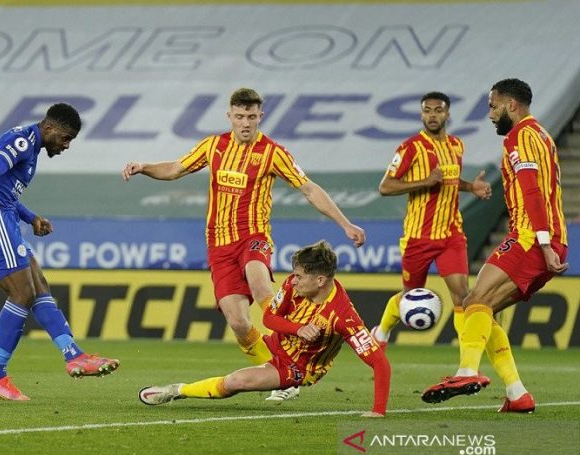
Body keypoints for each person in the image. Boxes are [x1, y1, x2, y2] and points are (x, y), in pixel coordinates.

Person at [122, 88, 365, 402]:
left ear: (260, 116)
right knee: (238, 323)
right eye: (240, 116)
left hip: (254, 238)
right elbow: (176, 169)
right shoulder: (214, 146)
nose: (246, 122)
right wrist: (145, 167)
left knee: (259, 281)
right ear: (230, 116)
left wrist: (344, 224)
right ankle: (283, 374)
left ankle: (292, 337)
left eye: (251, 116)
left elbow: (308, 188)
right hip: (219, 246)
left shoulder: (274, 153)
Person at [0, 103, 119, 401]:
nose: (66, 146)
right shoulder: (22, 141)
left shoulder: (31, 148)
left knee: (39, 285)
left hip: (3, 214)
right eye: (65, 138)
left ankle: (74, 355)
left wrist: (32, 218)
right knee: (22, 293)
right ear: (49, 128)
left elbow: (5, 190)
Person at [421, 78, 568, 413]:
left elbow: (531, 190)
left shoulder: (520, 136)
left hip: (531, 238)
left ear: (511, 105)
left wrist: (543, 243)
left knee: (474, 301)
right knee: (484, 310)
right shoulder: (542, 135)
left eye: (493, 105)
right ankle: (518, 394)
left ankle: (466, 372)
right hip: (542, 239)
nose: (489, 114)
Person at [138, 240, 391, 417]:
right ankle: (285, 389)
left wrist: (378, 411)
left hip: (298, 367)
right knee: (240, 326)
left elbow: (380, 363)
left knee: (237, 381)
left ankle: (176, 390)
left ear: (320, 280)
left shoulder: (343, 317)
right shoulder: (293, 284)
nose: (294, 279)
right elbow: (270, 318)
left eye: (301, 276)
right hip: (275, 344)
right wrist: (298, 328)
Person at [371, 91, 492, 356]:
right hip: (419, 236)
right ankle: (382, 330)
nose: (432, 115)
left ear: (447, 114)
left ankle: (467, 360)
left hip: (451, 234)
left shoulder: (457, 145)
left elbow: (450, 180)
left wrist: (472, 187)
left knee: (463, 296)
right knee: (410, 294)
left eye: (438, 110)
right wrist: (423, 182)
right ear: (421, 114)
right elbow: (385, 187)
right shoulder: (410, 148)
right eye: (427, 110)